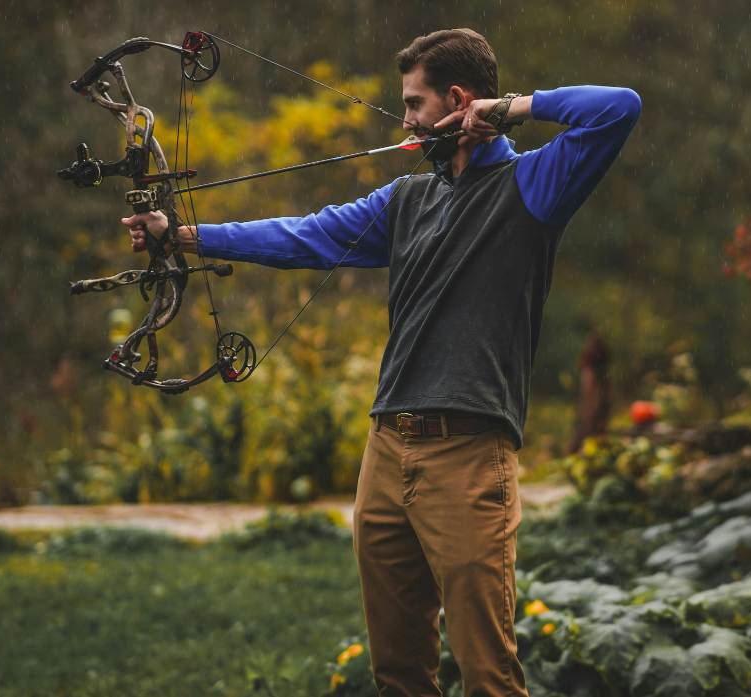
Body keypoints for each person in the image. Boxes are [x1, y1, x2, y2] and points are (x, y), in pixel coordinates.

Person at [123, 27, 639, 697]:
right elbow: (302, 235)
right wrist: (180, 236)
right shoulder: (405, 201)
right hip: (386, 451)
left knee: (488, 674)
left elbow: (618, 106)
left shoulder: (531, 187)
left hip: (467, 454)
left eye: (414, 104)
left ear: (458, 100)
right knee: (397, 671)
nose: (405, 121)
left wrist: (509, 108)